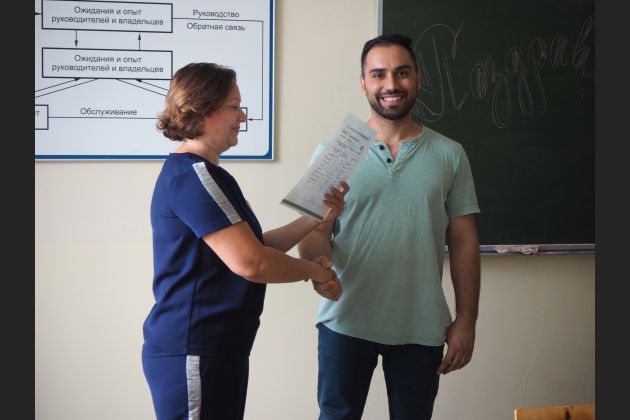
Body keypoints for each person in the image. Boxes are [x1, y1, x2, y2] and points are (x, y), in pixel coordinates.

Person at [141, 62, 349, 420]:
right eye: (234, 107)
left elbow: (254, 248)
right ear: (202, 110)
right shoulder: (193, 177)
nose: (243, 117)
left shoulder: (208, 175)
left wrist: (316, 219)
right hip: (195, 348)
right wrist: (315, 271)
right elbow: (252, 263)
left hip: (217, 348)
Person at [298, 34, 481, 420]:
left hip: (421, 326)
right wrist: (319, 268)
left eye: (402, 72)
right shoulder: (334, 152)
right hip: (344, 322)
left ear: (418, 78)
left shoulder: (450, 154)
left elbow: (464, 241)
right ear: (363, 82)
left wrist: (467, 320)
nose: (391, 84)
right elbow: (313, 233)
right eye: (378, 74)